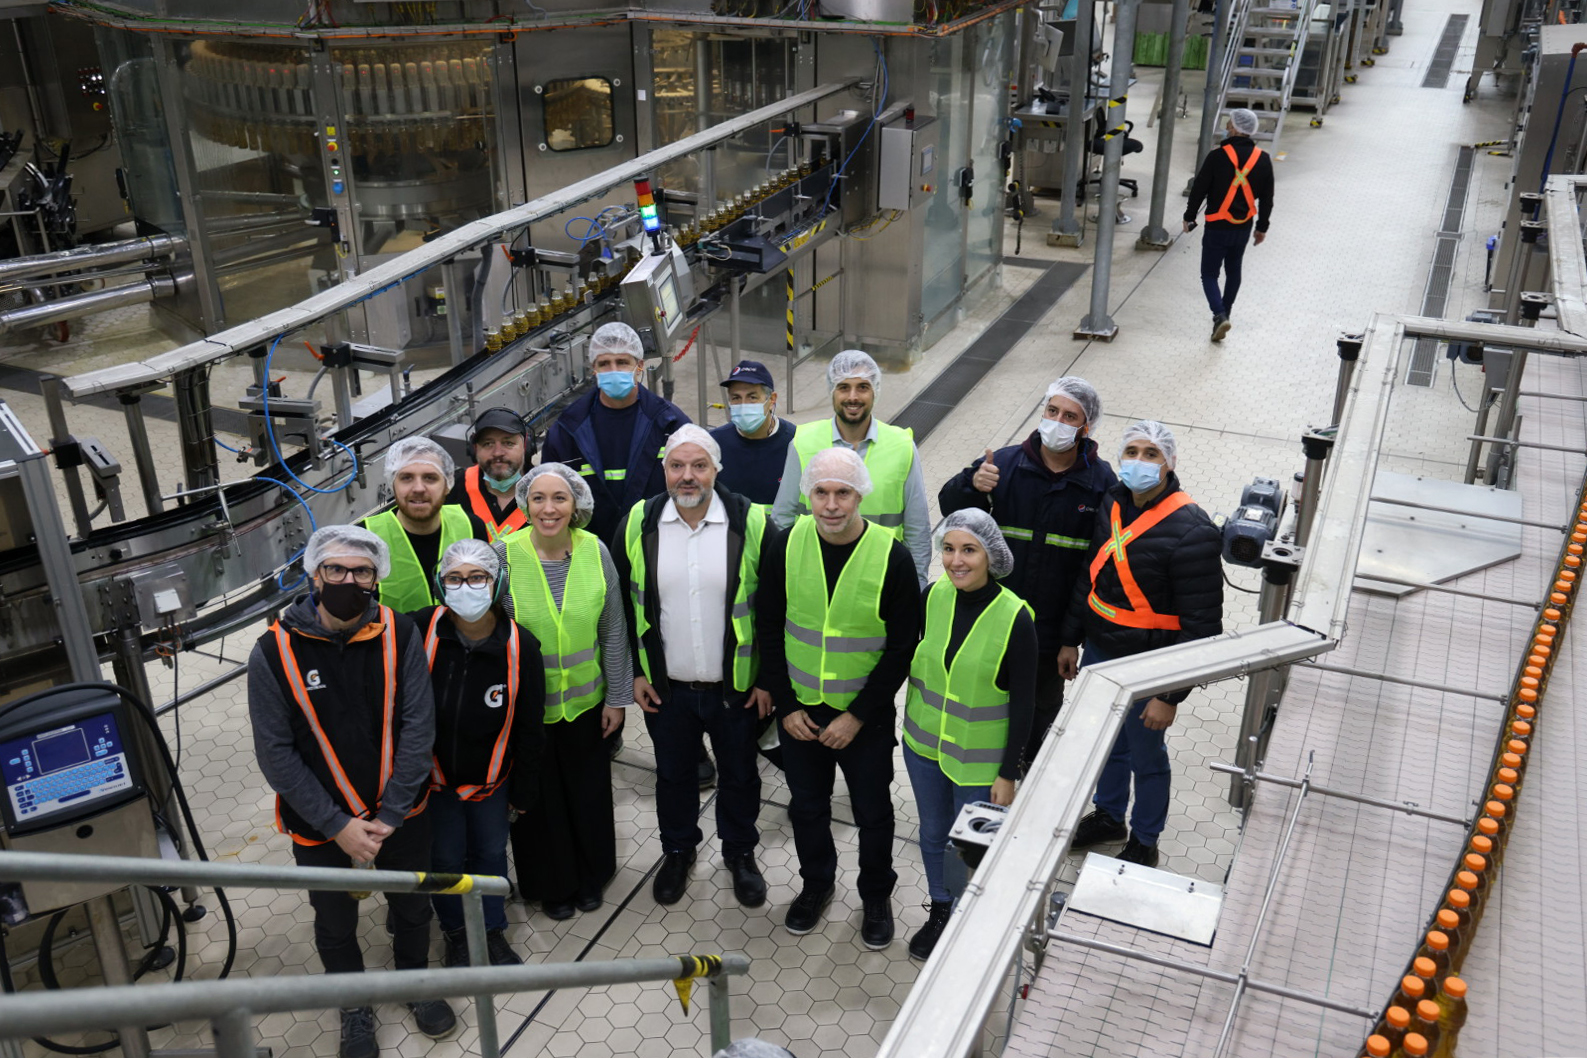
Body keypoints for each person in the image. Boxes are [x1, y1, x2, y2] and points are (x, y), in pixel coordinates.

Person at [247, 525, 453, 1058]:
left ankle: (413, 981)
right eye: (335, 570)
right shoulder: (272, 653)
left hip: (401, 812)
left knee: (413, 908)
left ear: (377, 579)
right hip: (319, 823)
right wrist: (338, 826)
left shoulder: (399, 633)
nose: (348, 580)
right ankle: (354, 1004)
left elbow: (418, 725)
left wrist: (392, 811)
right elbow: (276, 755)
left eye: (362, 571)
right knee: (334, 921)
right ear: (314, 575)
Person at [756, 447, 922, 947]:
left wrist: (857, 716)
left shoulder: (891, 555)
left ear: (860, 495)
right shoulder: (786, 543)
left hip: (863, 717)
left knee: (873, 813)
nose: (831, 504)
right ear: (807, 495)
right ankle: (816, 885)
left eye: (842, 492)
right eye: (821, 492)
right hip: (802, 712)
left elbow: (901, 647)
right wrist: (786, 705)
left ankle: (875, 895)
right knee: (807, 807)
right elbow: (768, 625)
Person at [614, 425, 771, 908]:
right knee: (673, 776)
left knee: (741, 775)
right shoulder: (641, 521)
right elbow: (622, 603)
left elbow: (775, 605)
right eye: (677, 466)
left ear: (716, 470)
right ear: (664, 470)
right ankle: (678, 850)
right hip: (667, 688)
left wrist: (767, 679)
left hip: (736, 687)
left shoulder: (751, 521)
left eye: (698, 466)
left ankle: (740, 853)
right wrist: (636, 675)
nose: (687, 477)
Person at [1057, 421, 1223, 869]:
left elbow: (1204, 627)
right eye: (1132, 451)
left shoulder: (1194, 530)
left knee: (1146, 754)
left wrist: (1169, 696)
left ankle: (1145, 838)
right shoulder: (1111, 501)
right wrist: (1071, 638)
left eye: (1151, 454)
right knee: (1107, 744)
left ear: (1169, 463)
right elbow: (1091, 575)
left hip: (1152, 662)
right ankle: (1110, 816)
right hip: (1101, 649)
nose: (1139, 462)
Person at [937, 377, 1117, 771]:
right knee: (986, 701)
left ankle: (1027, 774)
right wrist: (971, 484)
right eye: (1052, 411)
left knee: (1039, 712)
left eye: (1070, 416)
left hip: (1050, 634)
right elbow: (951, 511)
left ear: (1085, 428)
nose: (1057, 421)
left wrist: (1072, 639)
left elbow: (1095, 571)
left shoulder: (1101, 484)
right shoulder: (1003, 464)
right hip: (992, 622)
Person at [501, 462, 633, 918]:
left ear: (576, 504)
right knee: (538, 800)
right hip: (527, 711)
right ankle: (552, 885)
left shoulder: (595, 550)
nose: (548, 508)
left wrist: (617, 697)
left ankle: (590, 875)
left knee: (587, 792)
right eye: (538, 498)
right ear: (525, 504)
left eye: (559, 498)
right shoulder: (504, 554)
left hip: (586, 702)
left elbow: (613, 628)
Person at [903, 509, 1036, 961]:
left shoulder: (1015, 618)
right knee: (933, 834)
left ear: (990, 556)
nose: (956, 560)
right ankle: (942, 907)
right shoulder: (932, 597)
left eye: (969, 550)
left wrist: (1008, 772)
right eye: (948, 548)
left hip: (979, 762)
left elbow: (1023, 704)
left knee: (972, 845)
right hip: (923, 747)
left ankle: (969, 917)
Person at [411, 538, 544, 969]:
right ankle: (454, 932)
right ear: (439, 584)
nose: (465, 587)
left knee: (490, 855)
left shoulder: (521, 647)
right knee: (445, 859)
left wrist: (522, 793)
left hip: (493, 782)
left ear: (497, 581)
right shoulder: (417, 631)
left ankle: (492, 928)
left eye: (477, 577)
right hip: (434, 783)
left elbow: (529, 727)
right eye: (454, 578)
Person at [769, 350, 932, 583]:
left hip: (880, 579)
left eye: (863, 387)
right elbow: (781, 520)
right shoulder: (803, 443)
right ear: (831, 391)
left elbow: (918, 531)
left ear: (875, 390)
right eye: (844, 387)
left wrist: (918, 589)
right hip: (815, 577)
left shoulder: (901, 446)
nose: (853, 397)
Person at [540, 321, 691, 545]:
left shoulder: (670, 425)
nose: (613, 370)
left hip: (657, 548)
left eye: (622, 362)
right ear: (594, 369)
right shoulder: (567, 431)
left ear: (639, 365)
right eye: (604, 363)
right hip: (589, 552)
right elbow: (549, 498)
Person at [1183, 107, 1275, 342]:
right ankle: (1226, 314)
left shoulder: (1217, 156)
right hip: (1243, 227)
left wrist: (1189, 216)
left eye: (1229, 123)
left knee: (1209, 274)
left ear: (1235, 128)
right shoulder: (1263, 159)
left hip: (1216, 226)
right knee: (1234, 270)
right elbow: (1267, 198)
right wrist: (1262, 227)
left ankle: (1219, 315)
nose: (1226, 127)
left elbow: (1199, 189)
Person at [363, 437, 482, 612]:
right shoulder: (366, 538)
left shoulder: (472, 527)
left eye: (430, 478)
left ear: (447, 485)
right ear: (392, 485)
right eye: (406, 478)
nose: (418, 488)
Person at [707, 359, 796, 506]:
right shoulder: (713, 444)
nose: (743, 405)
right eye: (736, 398)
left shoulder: (795, 443)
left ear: (772, 399)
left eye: (752, 397)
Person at [449, 407, 536, 542]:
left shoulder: (549, 491)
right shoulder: (452, 490)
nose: (497, 453)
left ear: (526, 446)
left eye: (508, 443)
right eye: (488, 444)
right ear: (474, 450)